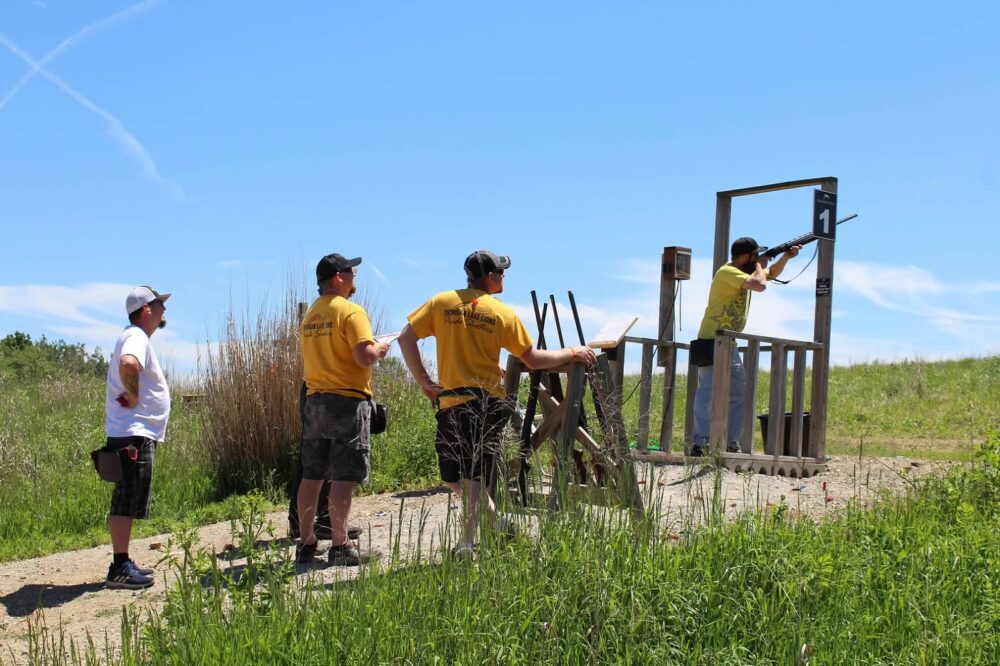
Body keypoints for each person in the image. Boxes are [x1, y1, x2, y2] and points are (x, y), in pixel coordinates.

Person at [398, 249, 596, 557]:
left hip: (454, 403)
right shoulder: (501, 313)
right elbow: (532, 358)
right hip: (483, 404)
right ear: (490, 278)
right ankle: (498, 524)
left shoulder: (441, 302)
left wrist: (424, 382)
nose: (504, 278)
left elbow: (405, 337)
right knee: (457, 477)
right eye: (501, 273)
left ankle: (465, 544)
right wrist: (571, 352)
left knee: (467, 477)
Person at [295, 253, 389, 565]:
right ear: (338, 278)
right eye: (351, 272)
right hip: (347, 402)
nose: (355, 277)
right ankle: (340, 545)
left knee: (312, 477)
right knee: (343, 478)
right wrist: (378, 348)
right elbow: (364, 357)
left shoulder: (310, 316)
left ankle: (307, 544)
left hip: (315, 401)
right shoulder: (351, 311)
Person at [691, 237, 800, 456]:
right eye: (755, 256)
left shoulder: (744, 273)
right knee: (707, 394)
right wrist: (760, 264)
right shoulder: (727, 272)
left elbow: (772, 275)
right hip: (712, 340)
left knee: (739, 391)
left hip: (729, 343)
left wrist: (786, 257)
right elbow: (760, 284)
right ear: (748, 256)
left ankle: (731, 443)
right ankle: (700, 444)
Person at [103, 286, 171, 589]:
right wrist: (132, 394)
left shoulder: (134, 336)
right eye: (159, 305)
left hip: (132, 431)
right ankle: (119, 566)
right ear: (145, 310)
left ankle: (122, 561)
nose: (163, 311)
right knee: (125, 498)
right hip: (133, 431)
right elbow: (128, 363)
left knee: (126, 497)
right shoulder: (135, 337)